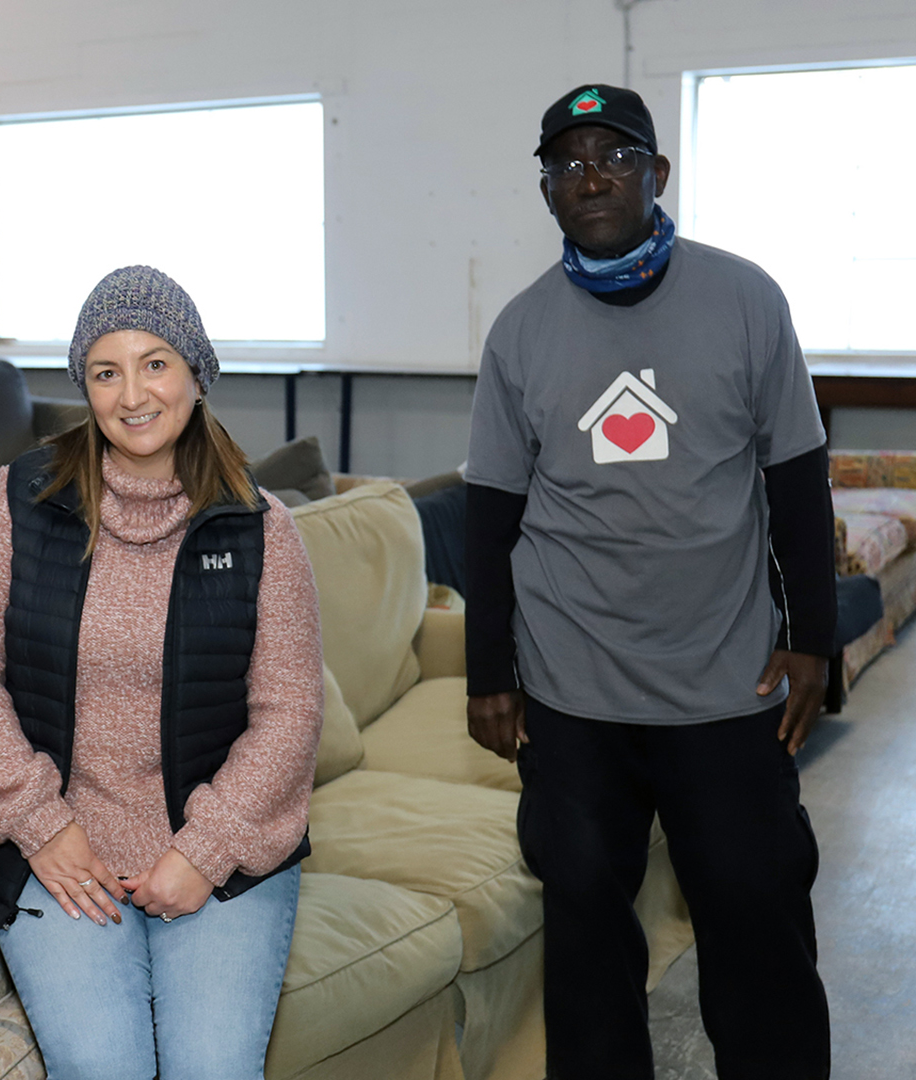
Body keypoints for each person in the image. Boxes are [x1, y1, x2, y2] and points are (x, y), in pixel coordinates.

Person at [466, 84, 833, 1079]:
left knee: (758, 914)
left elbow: (796, 481)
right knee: (585, 931)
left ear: (656, 173)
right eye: (566, 163)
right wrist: (487, 671)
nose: (589, 175)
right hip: (572, 691)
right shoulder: (519, 333)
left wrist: (816, 640)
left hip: (727, 684)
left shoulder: (745, 299)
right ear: (546, 191)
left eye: (613, 156)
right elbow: (490, 515)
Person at [0, 266, 322, 1080]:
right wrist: (43, 823)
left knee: (213, 1070)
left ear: (195, 374)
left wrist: (205, 850)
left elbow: (288, 713)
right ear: (85, 386)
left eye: (155, 363)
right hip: (60, 850)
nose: (132, 393)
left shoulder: (261, 527)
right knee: (104, 1066)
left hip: (215, 850)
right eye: (106, 371)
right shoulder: (20, 500)